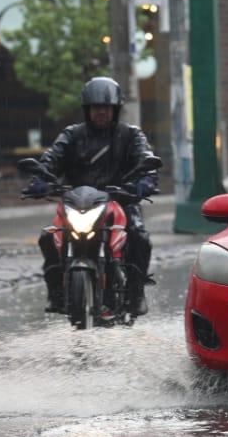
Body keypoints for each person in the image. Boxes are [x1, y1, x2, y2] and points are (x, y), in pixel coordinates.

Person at [25, 77, 159, 314]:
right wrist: (40, 181)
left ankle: (136, 295)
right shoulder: (71, 135)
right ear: (87, 110)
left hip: (120, 201)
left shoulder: (131, 135)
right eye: (96, 108)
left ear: (115, 109)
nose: (101, 112)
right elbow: (51, 159)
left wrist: (145, 181)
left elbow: (145, 159)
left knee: (139, 237)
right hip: (76, 203)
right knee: (48, 237)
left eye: (106, 108)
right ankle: (56, 293)